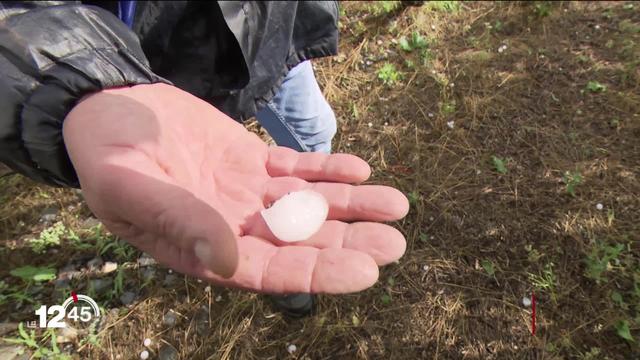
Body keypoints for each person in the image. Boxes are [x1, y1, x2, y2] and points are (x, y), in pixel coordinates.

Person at [0, 1, 409, 317]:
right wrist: (79, 78)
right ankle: (287, 281)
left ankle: (297, 249)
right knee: (213, 186)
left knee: (314, 129)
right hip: (150, 65)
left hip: (270, 37)